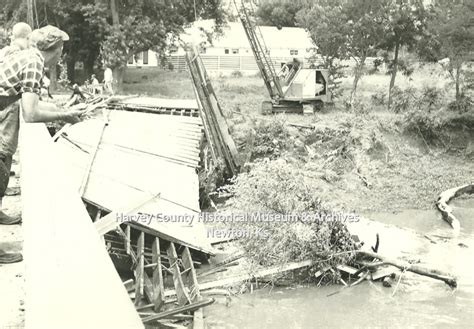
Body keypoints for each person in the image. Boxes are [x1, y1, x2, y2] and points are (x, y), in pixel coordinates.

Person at [0, 25, 85, 264]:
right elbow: (30, 113)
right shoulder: (35, 63)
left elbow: (33, 103)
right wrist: (63, 116)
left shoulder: (29, 56)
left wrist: (63, 109)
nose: (62, 55)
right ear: (55, 49)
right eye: (62, 50)